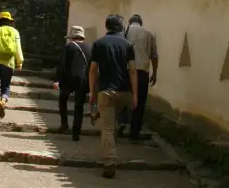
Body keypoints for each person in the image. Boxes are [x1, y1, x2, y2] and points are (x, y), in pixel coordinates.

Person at [88, 14, 138, 179]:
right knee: (114, 123)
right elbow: (132, 70)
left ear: (107, 27)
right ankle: (118, 131)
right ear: (122, 27)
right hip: (124, 91)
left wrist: (92, 93)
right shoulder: (128, 45)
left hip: (106, 91)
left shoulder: (99, 43)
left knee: (107, 127)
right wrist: (135, 94)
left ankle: (109, 161)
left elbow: (93, 70)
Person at [54, 25, 92, 141]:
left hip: (68, 79)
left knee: (62, 99)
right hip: (83, 79)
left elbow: (62, 64)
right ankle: (76, 133)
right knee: (79, 106)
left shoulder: (69, 47)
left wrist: (57, 79)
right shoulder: (89, 48)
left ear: (72, 37)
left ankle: (64, 124)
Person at [124, 14, 158, 142]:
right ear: (141, 23)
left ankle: (120, 123)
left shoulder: (125, 32)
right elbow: (154, 56)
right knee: (140, 102)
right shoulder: (149, 34)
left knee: (122, 97)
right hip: (142, 73)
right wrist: (155, 74)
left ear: (130, 22)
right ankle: (134, 133)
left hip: (126, 71)